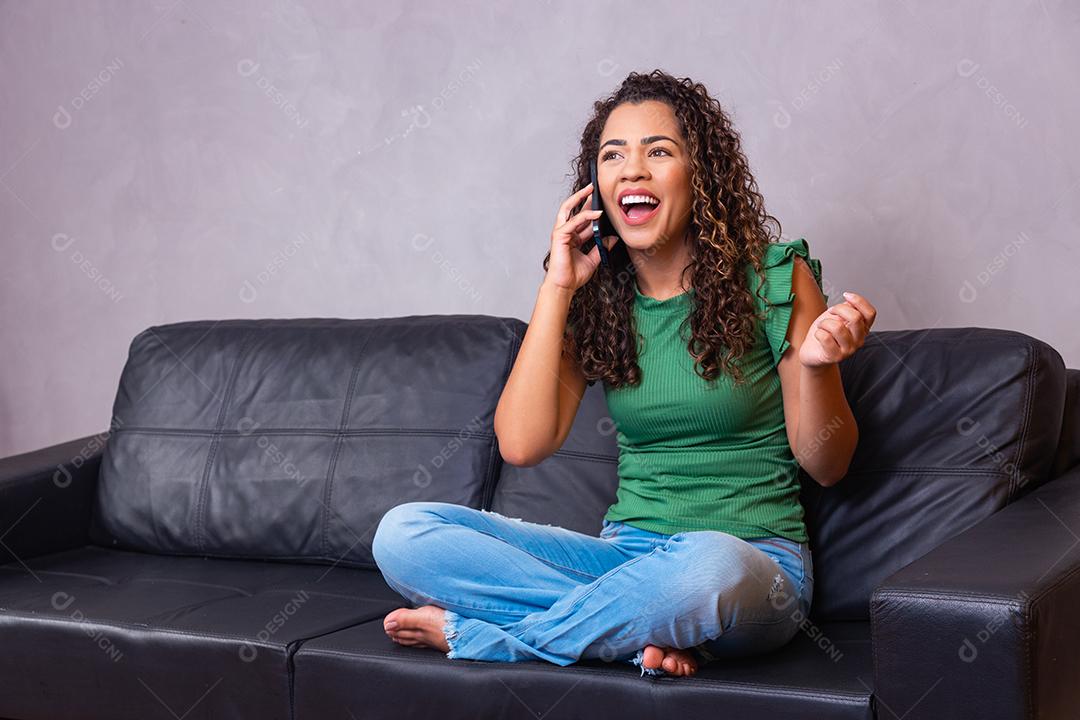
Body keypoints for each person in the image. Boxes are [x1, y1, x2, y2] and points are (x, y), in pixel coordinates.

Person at [372, 69, 876, 678]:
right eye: (613, 155)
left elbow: (828, 463)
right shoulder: (599, 299)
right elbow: (522, 444)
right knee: (404, 535)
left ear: (702, 175)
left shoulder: (775, 276)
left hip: (751, 566)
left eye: (658, 151)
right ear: (596, 185)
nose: (632, 170)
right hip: (625, 559)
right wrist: (559, 286)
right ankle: (637, 633)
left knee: (706, 566)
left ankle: (493, 639)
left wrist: (818, 369)